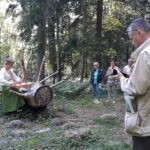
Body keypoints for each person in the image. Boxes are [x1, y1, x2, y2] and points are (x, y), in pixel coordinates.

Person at [116, 18, 150, 150]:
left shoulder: (146, 54)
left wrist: (121, 79)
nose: (132, 42)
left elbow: (136, 88)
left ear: (139, 33)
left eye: (132, 38)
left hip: (145, 124)